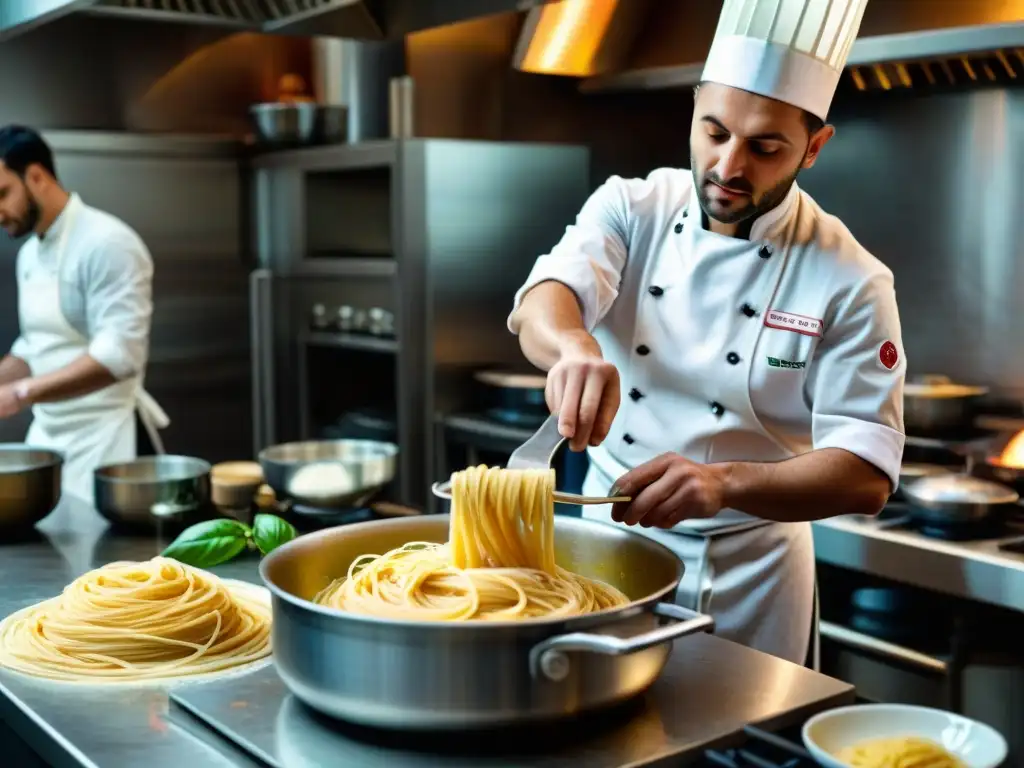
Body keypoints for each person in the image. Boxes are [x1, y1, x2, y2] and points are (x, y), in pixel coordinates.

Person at [508, 0, 903, 667]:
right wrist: (574, 345)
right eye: (713, 131)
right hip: (609, 543)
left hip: (754, 571)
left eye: (764, 147)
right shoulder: (633, 208)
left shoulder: (851, 278)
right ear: (693, 109)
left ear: (814, 147)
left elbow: (866, 473)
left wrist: (724, 483)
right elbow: (543, 303)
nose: (728, 165)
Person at [0, 125, 169, 506]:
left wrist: (19, 393)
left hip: (107, 443)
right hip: (49, 435)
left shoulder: (107, 243)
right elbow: (36, 345)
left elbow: (120, 356)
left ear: (37, 176)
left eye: (3, 193)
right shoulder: (30, 254)